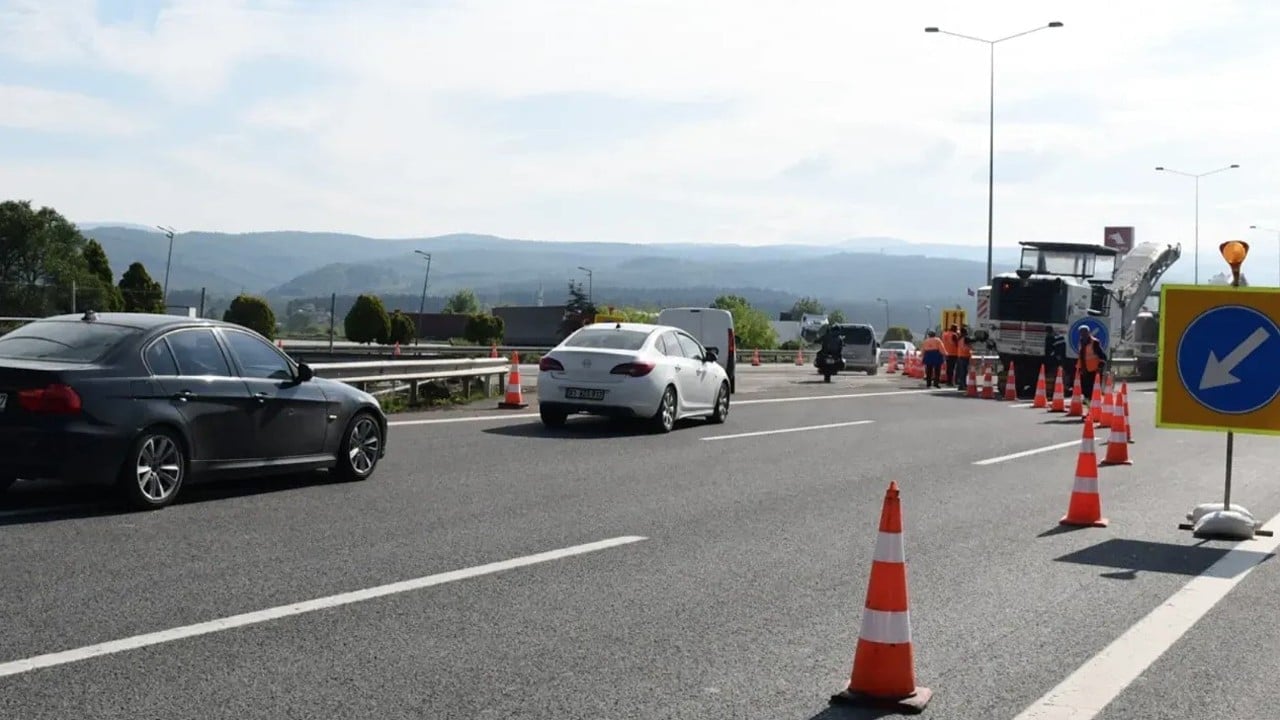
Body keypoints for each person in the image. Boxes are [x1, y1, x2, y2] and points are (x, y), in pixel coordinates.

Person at [1076, 326, 1107, 405]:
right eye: (1081, 333)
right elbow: (1081, 356)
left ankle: (1093, 401)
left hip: (1094, 369)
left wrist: (1100, 366)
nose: (1083, 334)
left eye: (1084, 332)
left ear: (1088, 332)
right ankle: (1087, 400)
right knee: (1085, 386)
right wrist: (1079, 367)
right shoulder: (1081, 342)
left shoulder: (1094, 342)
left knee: (1092, 386)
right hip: (1084, 368)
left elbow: (1103, 356)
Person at [1043, 325, 1066, 399]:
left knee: (1053, 376)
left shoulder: (1050, 338)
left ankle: (1052, 392)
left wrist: (1052, 356)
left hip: (1054, 360)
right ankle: (1058, 391)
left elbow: (1050, 350)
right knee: (1058, 376)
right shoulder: (1059, 337)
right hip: (1059, 359)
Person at [955, 326, 972, 392]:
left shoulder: (960, 338)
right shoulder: (965, 338)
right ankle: (962, 385)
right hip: (964, 356)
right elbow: (970, 343)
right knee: (963, 372)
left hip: (960, 356)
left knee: (961, 372)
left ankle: (961, 385)